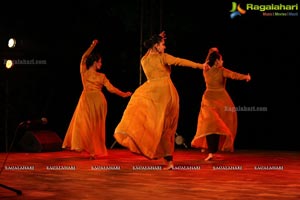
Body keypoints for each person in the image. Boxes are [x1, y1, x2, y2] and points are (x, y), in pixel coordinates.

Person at [114, 31, 208, 170]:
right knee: (167, 128)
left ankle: (151, 149)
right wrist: (201, 66)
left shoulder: (144, 60)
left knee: (152, 122)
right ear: (157, 46)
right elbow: (180, 61)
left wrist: (156, 39)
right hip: (165, 93)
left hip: (151, 92)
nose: (165, 47)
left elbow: (150, 53)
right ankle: (168, 160)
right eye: (163, 44)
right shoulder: (162, 57)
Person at [62, 39, 132, 159]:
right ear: (94, 62)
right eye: (100, 62)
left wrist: (123, 94)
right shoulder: (85, 72)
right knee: (85, 125)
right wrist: (92, 46)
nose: (101, 64)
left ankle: (92, 151)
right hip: (88, 100)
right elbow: (84, 57)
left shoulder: (93, 74)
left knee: (93, 126)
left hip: (96, 101)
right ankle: (89, 149)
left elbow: (111, 88)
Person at [191, 47, 251, 161]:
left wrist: (211, 52)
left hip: (218, 100)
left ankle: (212, 151)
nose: (222, 62)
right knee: (209, 124)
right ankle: (211, 151)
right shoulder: (215, 69)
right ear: (217, 61)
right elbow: (233, 74)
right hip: (212, 99)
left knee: (216, 124)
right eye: (221, 60)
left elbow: (233, 75)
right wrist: (246, 77)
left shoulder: (207, 69)